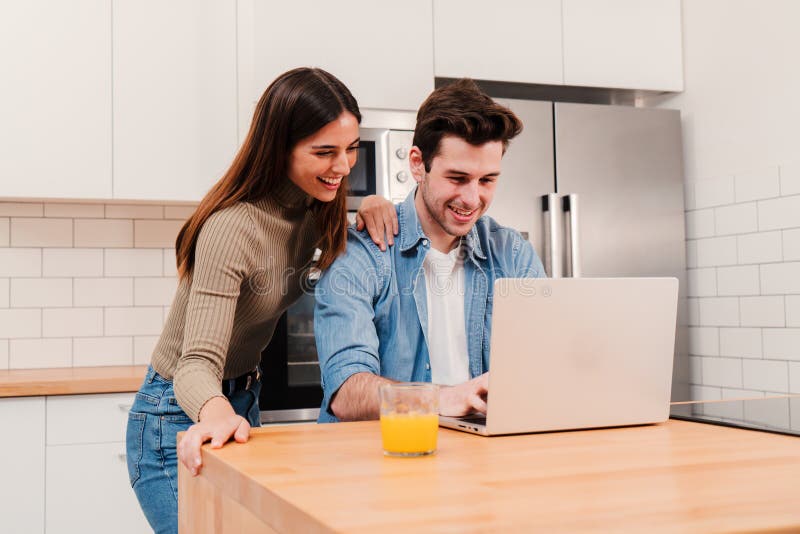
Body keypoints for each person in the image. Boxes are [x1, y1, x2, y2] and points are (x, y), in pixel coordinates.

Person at [125, 67, 397, 534]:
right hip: (177, 413)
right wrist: (217, 412)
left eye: (350, 149)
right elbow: (194, 365)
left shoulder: (315, 209)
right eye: (325, 152)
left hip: (242, 402)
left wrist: (373, 202)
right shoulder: (233, 227)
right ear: (280, 148)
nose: (343, 166)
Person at [314, 79, 546, 423]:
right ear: (417, 163)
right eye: (457, 178)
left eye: (487, 180)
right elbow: (347, 393)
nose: (471, 199)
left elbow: (547, 363)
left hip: (486, 460)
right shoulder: (362, 254)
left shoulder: (512, 253)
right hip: (383, 463)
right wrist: (444, 399)